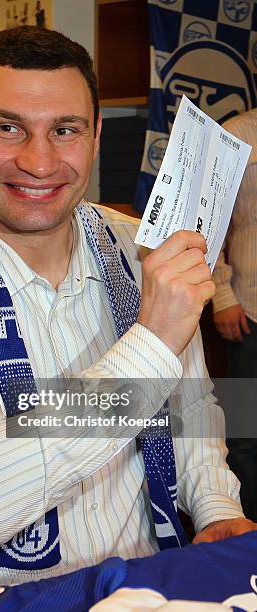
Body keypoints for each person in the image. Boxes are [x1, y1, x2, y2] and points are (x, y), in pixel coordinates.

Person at [0, 26, 256, 603]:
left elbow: (188, 404)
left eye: (64, 130)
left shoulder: (140, 250)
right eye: (8, 127)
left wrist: (215, 506)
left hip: (141, 584)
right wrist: (151, 341)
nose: (38, 162)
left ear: (93, 139)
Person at [212, 108, 257, 523]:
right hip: (249, 311)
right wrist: (221, 294)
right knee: (245, 433)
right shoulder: (236, 135)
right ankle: (247, 529)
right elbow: (211, 225)